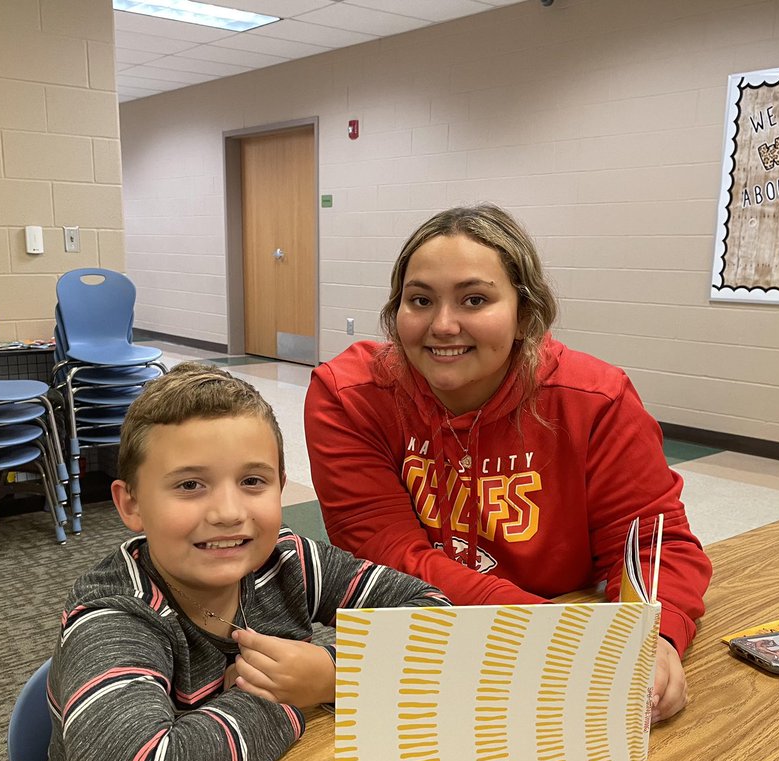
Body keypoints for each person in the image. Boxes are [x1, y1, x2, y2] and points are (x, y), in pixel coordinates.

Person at [304, 204, 711, 724]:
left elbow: (651, 545)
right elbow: (387, 556)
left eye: (475, 299)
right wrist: (548, 630)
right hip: (423, 637)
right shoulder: (349, 396)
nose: (443, 325)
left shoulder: (594, 400)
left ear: (525, 312)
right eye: (420, 300)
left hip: (564, 634)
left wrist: (655, 634)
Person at [42, 363, 448, 761]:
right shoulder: (114, 617)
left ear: (281, 485)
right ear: (131, 505)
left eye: (253, 481)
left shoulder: (288, 559)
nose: (229, 513)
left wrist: (334, 674)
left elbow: (435, 619)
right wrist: (281, 697)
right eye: (190, 485)